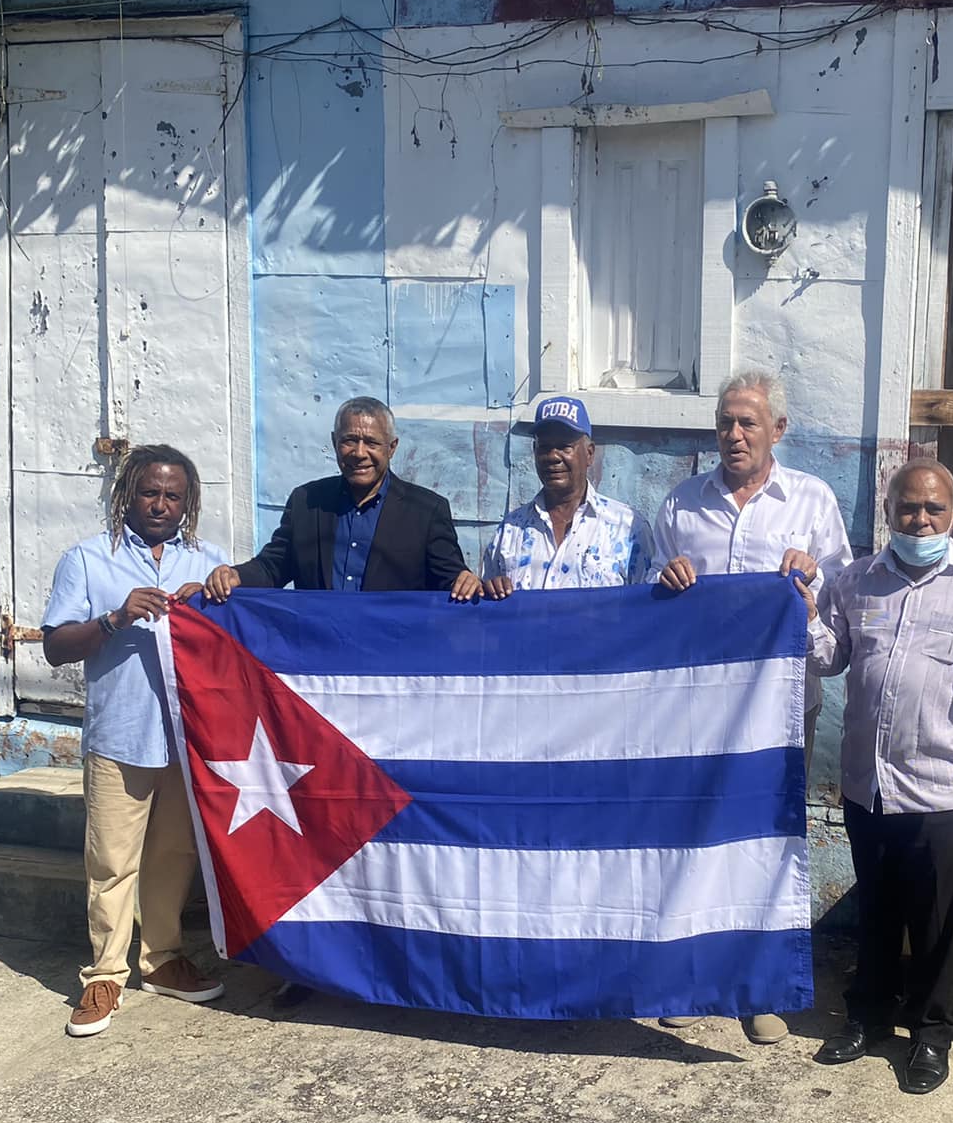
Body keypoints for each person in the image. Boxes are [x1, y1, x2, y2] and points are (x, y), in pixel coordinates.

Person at [804, 460, 953, 1093]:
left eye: (934, 509)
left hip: (943, 786)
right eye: (908, 508)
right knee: (877, 911)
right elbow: (830, 658)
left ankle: (931, 1035)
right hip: (869, 783)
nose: (921, 520)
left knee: (936, 924)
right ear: (889, 513)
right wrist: (805, 613)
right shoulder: (856, 580)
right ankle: (868, 1017)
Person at [654, 368, 851, 1045]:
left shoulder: (813, 501)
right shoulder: (681, 505)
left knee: (770, 841)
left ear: (778, 430)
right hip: (699, 710)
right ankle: (694, 980)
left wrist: (814, 576)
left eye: (748, 423)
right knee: (696, 836)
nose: (734, 435)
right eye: (725, 423)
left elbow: (841, 594)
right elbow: (649, 594)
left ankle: (760, 989)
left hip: (782, 709)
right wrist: (664, 578)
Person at [42, 444, 230, 1038]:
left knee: (174, 855)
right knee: (111, 861)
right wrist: (115, 620)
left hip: (185, 738)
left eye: (173, 495)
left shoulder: (208, 561)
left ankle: (163, 959)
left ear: (188, 503)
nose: (160, 504)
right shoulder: (88, 559)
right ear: (128, 494)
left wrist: (217, 601)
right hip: (120, 736)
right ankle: (104, 974)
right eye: (150, 492)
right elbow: (55, 647)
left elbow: (234, 643)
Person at [206, 397, 479, 601]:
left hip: (391, 654)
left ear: (392, 447)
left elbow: (450, 579)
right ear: (334, 442)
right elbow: (273, 566)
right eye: (349, 440)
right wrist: (236, 575)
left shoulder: (427, 511)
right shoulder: (306, 502)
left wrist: (465, 580)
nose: (359, 453)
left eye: (371, 442)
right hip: (320, 652)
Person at [480, 396, 656, 595]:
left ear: (589, 454)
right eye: (544, 447)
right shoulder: (511, 530)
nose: (553, 457)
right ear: (534, 452)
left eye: (565, 447)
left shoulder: (628, 528)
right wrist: (492, 590)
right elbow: (487, 606)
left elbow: (645, 606)